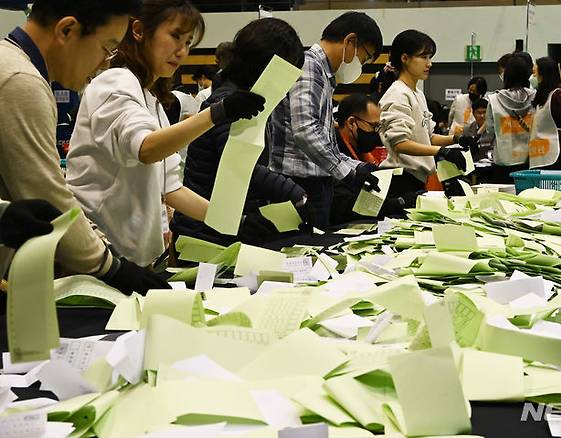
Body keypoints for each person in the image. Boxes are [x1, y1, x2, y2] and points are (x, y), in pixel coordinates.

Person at [66, 0, 266, 268]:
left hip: (135, 259)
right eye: (175, 37)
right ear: (138, 30)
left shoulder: (151, 100)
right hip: (98, 256)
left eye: (188, 43)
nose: (181, 51)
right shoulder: (115, 81)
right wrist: (217, 114)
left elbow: (171, 188)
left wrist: (235, 222)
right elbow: (146, 149)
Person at [0, 0, 170, 294]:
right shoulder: (21, 82)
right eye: (107, 48)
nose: (104, 63)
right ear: (67, 30)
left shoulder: (12, 67)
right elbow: (48, 197)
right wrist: (111, 266)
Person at [171, 18, 309, 248]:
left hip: (222, 226)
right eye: (286, 72)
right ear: (265, 65)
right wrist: (295, 193)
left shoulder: (244, 98)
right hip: (204, 235)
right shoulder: (231, 103)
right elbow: (239, 166)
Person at [269, 11, 384, 229]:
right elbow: (305, 130)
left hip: (312, 181)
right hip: (299, 183)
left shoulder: (323, 73)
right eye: (365, 57)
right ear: (350, 41)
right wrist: (347, 173)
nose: (362, 66)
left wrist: (358, 167)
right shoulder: (310, 67)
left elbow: (325, 141)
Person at [378, 30, 475, 198]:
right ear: (405, 58)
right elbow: (400, 144)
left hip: (415, 179)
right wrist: (441, 152)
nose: (429, 63)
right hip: (399, 180)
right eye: (423, 57)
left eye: (430, 57)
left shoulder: (417, 93)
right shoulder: (397, 94)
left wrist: (455, 140)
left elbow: (427, 137)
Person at [331, 94, 420, 224]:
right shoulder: (333, 152)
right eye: (373, 126)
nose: (376, 132)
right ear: (351, 123)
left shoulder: (359, 152)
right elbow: (346, 204)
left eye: (378, 127)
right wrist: (399, 202)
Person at [483, 54, 535, 183]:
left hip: (503, 159)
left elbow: (490, 130)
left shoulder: (494, 99)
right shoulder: (535, 97)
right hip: (530, 159)